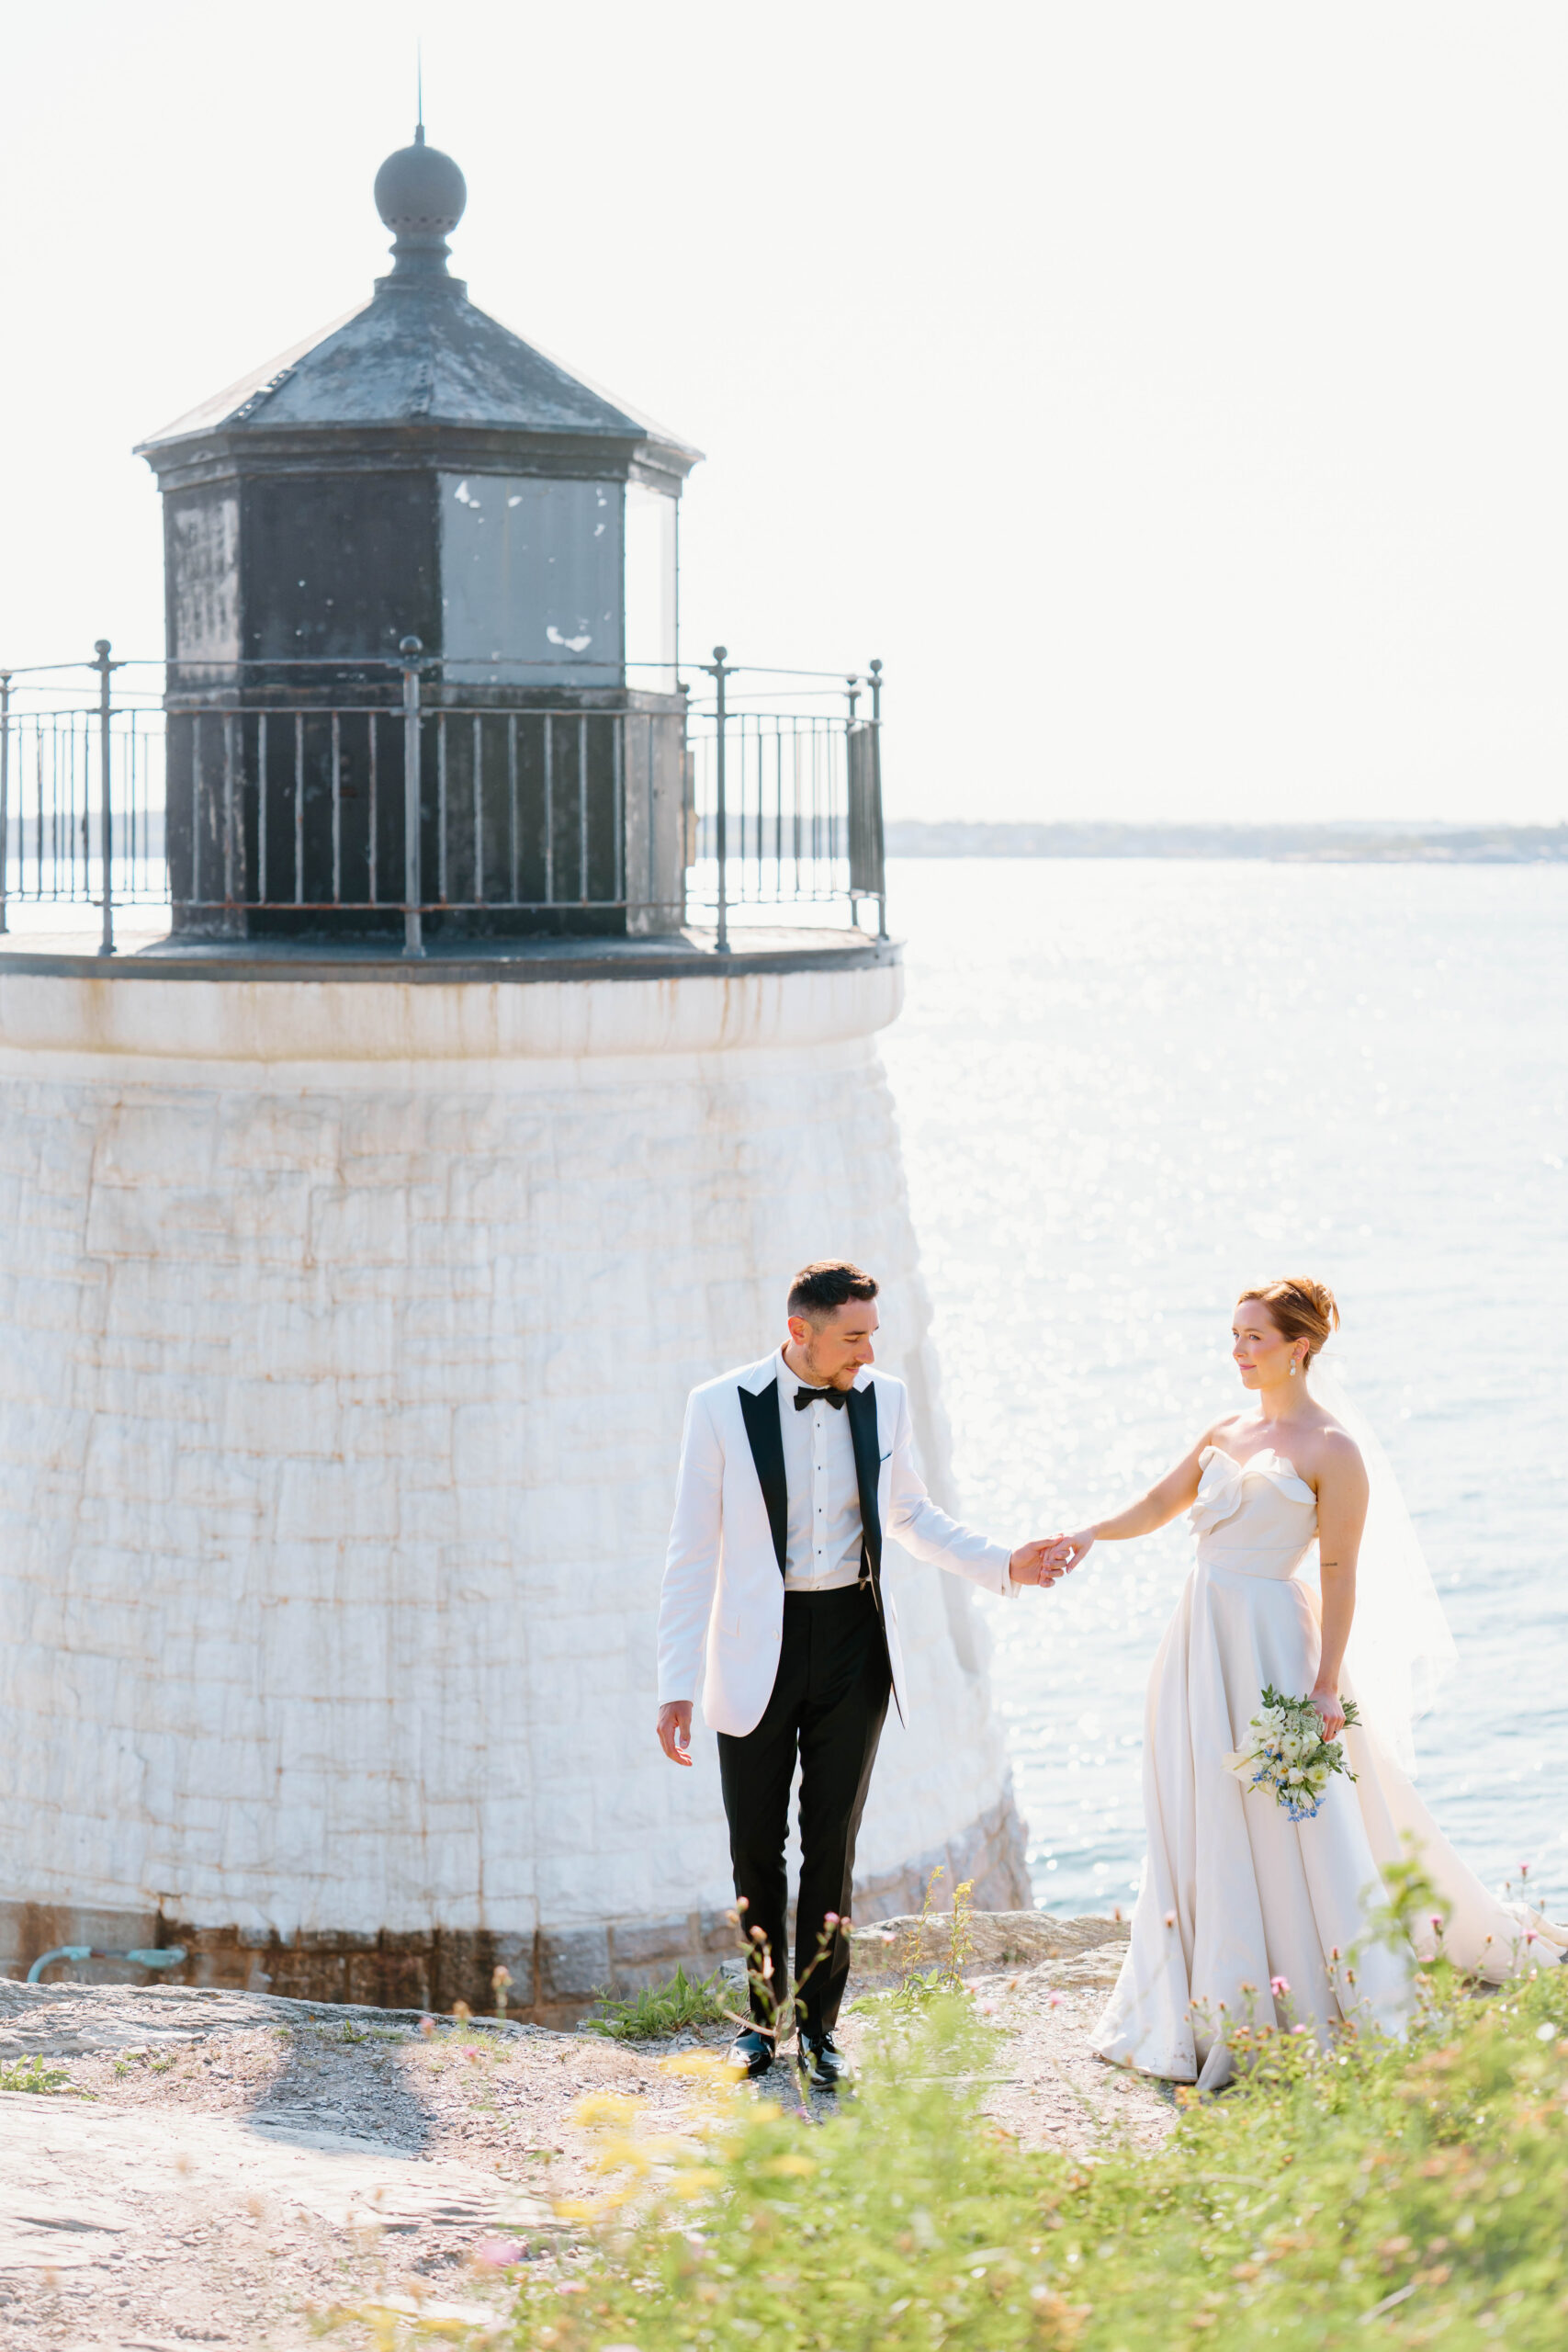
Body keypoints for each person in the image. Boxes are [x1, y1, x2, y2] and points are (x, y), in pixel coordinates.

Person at [1046, 1276, 1567, 2089]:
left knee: (1298, 1810)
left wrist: (1325, 1685)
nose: (1238, 1351)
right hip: (1199, 1637)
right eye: (1233, 1335)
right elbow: (1158, 1502)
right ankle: (1207, 1986)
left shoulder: (1333, 1449)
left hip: (1274, 1647)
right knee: (1200, 1801)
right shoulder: (1224, 1428)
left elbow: (1339, 1571)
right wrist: (1086, 1534)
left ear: (1300, 1347)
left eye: (1254, 1337)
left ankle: (1318, 1980)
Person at [656, 1259, 1063, 2089]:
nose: (867, 1352)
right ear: (798, 1332)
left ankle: (821, 2028)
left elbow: (912, 1517)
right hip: (753, 1650)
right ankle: (761, 2024)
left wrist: (1005, 1563)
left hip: (853, 1641)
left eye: (873, 1334)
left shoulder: (885, 1398)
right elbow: (691, 1552)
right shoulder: (718, 1407)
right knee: (754, 1850)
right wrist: (674, 1683)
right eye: (853, 1337)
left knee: (831, 1846)